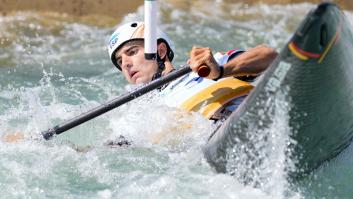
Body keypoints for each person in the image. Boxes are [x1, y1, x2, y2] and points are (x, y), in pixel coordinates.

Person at [108, 21, 278, 121]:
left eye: (132, 52)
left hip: (257, 117)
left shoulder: (205, 67)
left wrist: (221, 71)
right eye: (120, 61)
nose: (125, 64)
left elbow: (269, 56)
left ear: (160, 51)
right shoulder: (139, 115)